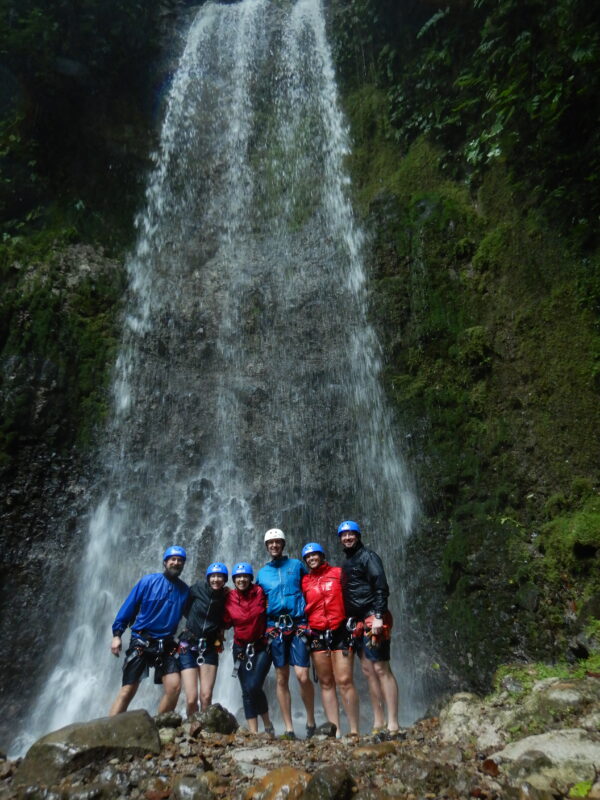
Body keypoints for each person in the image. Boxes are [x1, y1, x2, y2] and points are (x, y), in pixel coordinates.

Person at [338, 520, 401, 738]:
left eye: (351, 534)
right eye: (343, 535)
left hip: (372, 619)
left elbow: (381, 587)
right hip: (356, 623)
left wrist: (378, 617)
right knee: (368, 671)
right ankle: (378, 720)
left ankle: (393, 722)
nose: (347, 538)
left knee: (382, 669)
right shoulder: (346, 562)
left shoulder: (369, 557)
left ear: (358, 535)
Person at [109, 545, 189, 716]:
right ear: (165, 562)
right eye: (173, 559)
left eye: (180, 560)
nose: (176, 563)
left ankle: (158, 728)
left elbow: (197, 614)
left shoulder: (184, 591)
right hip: (142, 641)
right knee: (127, 690)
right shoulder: (148, 582)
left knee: (174, 688)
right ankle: (108, 731)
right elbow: (129, 607)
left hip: (166, 643)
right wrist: (117, 635)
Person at [257, 528, 316, 740]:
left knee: (302, 675)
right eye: (270, 543)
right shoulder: (262, 573)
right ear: (267, 546)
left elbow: (312, 587)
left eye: (277, 542)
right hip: (275, 628)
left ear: (283, 544)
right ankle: (289, 728)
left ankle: (310, 720)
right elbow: (255, 600)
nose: (274, 545)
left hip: (298, 624)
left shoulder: (297, 566)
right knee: (282, 678)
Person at [301, 542, 360, 739]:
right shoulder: (305, 582)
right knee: (326, 682)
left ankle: (354, 730)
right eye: (308, 557)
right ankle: (334, 730)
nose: (311, 558)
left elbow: (354, 594)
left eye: (314, 555)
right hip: (317, 633)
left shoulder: (338, 573)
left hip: (340, 629)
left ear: (322, 556)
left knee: (344, 680)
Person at [223, 562, 274, 735]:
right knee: (246, 691)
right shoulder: (228, 597)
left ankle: (267, 725)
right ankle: (254, 732)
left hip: (261, 647)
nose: (242, 579)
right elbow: (224, 621)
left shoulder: (260, 592)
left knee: (253, 686)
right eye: (238, 577)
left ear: (251, 578)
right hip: (240, 649)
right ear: (234, 580)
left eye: (245, 576)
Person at [178, 561, 229, 716]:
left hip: (209, 648)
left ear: (225, 579)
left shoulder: (227, 596)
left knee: (206, 696)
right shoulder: (197, 589)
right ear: (208, 578)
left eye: (220, 576)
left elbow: (227, 618)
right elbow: (184, 608)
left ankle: (206, 731)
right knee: (192, 699)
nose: (216, 579)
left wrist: (219, 634)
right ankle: (191, 729)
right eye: (213, 576)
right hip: (188, 646)